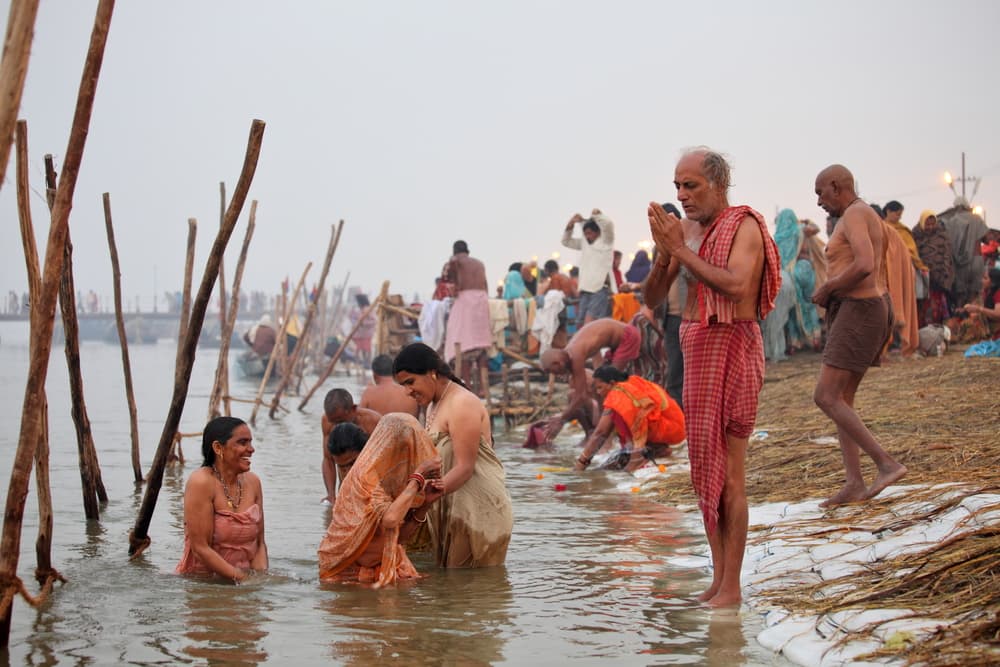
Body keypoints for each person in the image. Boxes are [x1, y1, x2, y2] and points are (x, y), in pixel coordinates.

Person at [643, 148, 781, 608]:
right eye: (677, 186)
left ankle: (733, 587)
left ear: (718, 184)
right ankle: (718, 580)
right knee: (706, 474)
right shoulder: (683, 231)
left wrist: (680, 249)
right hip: (696, 346)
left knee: (732, 476)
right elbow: (655, 296)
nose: (681, 196)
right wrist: (665, 255)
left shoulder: (744, 226)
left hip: (734, 345)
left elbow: (739, 286)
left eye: (691, 186)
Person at [811, 164, 907, 508]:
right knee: (842, 400)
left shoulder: (853, 214)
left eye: (821, 193)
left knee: (826, 396)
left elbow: (865, 263)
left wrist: (829, 288)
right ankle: (854, 482)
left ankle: (886, 463)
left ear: (837, 186)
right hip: (867, 308)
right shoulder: (863, 214)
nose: (819, 201)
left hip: (860, 310)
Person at [392, 343, 513, 568]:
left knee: (470, 591)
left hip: (477, 511)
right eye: (403, 385)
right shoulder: (432, 405)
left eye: (410, 382)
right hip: (451, 506)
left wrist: (423, 501)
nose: (407, 391)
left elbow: (465, 468)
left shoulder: (461, 403)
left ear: (432, 373)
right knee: (452, 593)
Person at [318, 415, 444, 586]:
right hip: (348, 572)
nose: (348, 470)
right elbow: (391, 520)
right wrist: (419, 475)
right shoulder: (362, 480)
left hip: (384, 566)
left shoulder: (392, 481)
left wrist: (425, 504)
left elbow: (396, 538)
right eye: (343, 466)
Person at [539, 316, 666, 441]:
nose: (555, 375)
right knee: (591, 389)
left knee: (608, 385)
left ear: (558, 364)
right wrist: (558, 418)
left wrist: (561, 419)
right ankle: (597, 431)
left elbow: (581, 395)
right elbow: (578, 394)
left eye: (552, 371)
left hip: (628, 337)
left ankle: (607, 435)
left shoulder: (575, 355)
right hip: (616, 343)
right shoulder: (569, 357)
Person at [176, 417, 268, 583]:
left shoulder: (253, 482)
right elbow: (200, 549)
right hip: (203, 585)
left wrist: (261, 580)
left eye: (250, 442)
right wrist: (244, 579)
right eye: (242, 443)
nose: (251, 449)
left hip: (243, 584)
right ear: (218, 448)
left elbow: (260, 543)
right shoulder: (201, 482)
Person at [574, 365, 685, 473]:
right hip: (677, 428)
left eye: (600, 387)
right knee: (609, 466)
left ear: (612, 383)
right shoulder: (632, 382)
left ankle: (637, 457)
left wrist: (581, 462)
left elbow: (601, 433)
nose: (598, 392)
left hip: (670, 428)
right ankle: (657, 448)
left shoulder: (618, 392)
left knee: (618, 413)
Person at [442, 240, 493, 389]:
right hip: (482, 300)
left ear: (454, 251)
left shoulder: (455, 260)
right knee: (481, 344)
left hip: (465, 300)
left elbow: (448, 279)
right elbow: (486, 285)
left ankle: (468, 387)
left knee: (462, 343)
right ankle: (483, 388)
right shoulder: (479, 263)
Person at [773, 208, 822, 353]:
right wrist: (806, 221)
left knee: (792, 309)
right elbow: (816, 229)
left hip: (785, 276)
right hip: (803, 269)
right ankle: (816, 338)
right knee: (809, 304)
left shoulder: (778, 237)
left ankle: (795, 343)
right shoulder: (800, 229)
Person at [321, 388, 381, 505]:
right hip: (345, 485)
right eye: (333, 422)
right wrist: (331, 495)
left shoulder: (373, 421)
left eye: (340, 420)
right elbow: (328, 459)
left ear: (353, 409)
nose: (337, 425)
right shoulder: (327, 421)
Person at [562, 209, 617, 326]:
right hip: (585, 289)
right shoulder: (584, 243)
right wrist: (570, 225)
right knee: (580, 323)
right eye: (585, 234)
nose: (587, 237)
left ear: (598, 233)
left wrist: (598, 215)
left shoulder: (606, 241)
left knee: (590, 323)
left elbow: (608, 225)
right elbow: (566, 241)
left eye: (590, 233)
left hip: (600, 289)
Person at [912, 210, 955, 326]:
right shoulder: (915, 236)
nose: (930, 227)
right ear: (921, 223)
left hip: (940, 279)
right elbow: (913, 255)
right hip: (922, 278)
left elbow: (947, 257)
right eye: (927, 224)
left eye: (932, 224)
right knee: (923, 307)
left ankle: (939, 332)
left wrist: (945, 276)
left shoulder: (942, 236)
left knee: (940, 306)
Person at [350, 294, 376, 368]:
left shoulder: (367, 309)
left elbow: (374, 320)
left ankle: (367, 363)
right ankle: (362, 363)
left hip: (366, 333)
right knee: (361, 349)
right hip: (360, 333)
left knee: (367, 349)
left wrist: (364, 323)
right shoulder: (361, 309)